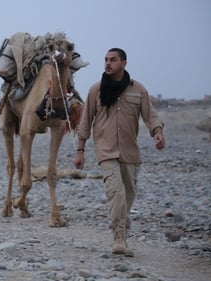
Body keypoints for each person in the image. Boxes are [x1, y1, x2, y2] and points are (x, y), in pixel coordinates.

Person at [73, 48, 165, 257]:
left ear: (123, 63)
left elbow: (150, 116)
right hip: (105, 150)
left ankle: (122, 226)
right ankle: (119, 239)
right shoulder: (96, 90)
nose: (107, 63)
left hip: (130, 151)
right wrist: (80, 151)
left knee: (128, 195)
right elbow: (85, 122)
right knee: (116, 193)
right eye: (105, 59)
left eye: (112, 60)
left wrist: (157, 132)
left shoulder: (137, 90)